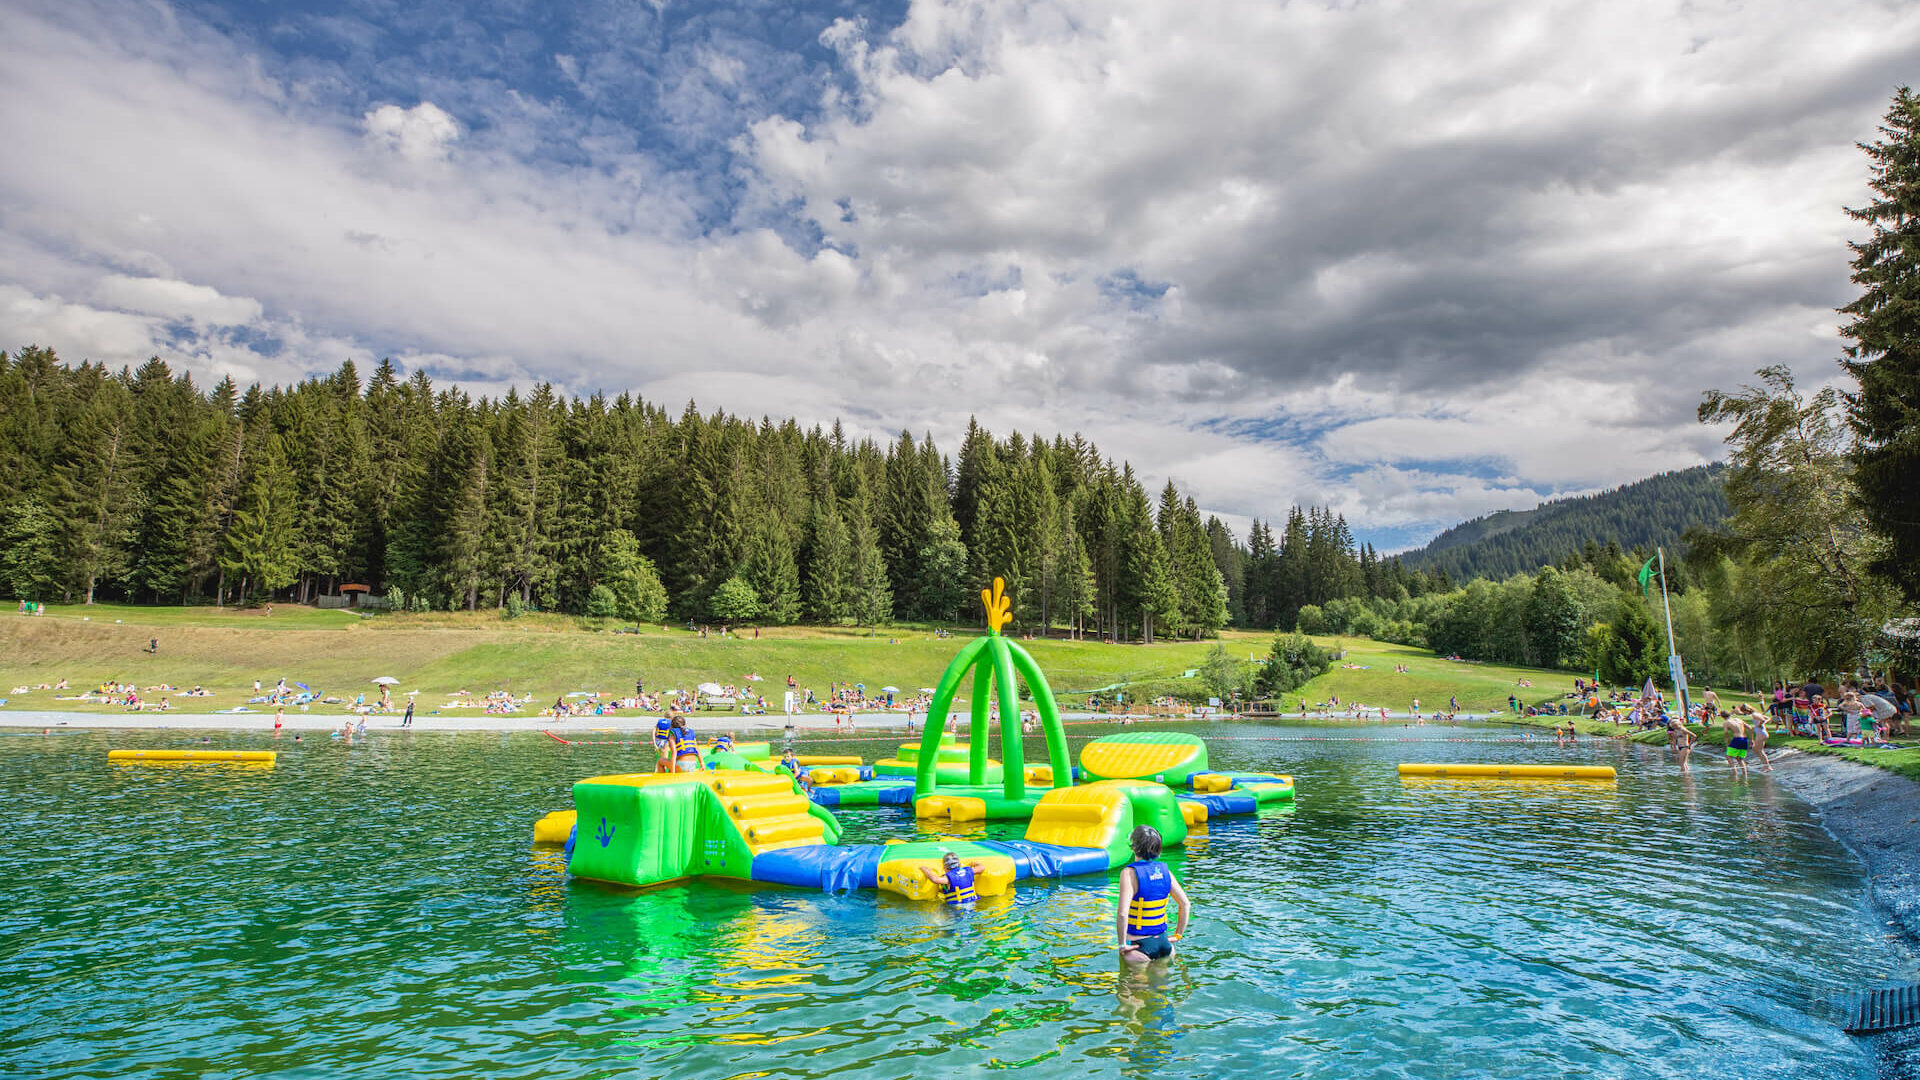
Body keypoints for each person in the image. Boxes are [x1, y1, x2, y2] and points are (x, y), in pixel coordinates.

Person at [1117, 826, 1189, 964]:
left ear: (1134, 847)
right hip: (1165, 945)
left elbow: (1122, 913)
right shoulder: (1165, 871)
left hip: (1137, 948)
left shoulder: (1129, 873)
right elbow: (1185, 904)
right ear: (1158, 849)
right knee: (1162, 985)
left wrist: (1121, 945)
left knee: (1129, 985)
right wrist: (1178, 934)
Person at [920, 852, 986, 907]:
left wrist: (926, 870)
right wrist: (975, 863)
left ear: (945, 867)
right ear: (960, 865)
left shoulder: (948, 878)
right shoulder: (968, 870)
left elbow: (935, 879)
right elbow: (982, 868)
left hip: (956, 907)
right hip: (972, 903)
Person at [1723, 710, 1750, 779]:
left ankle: (1735, 775)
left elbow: (1726, 735)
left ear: (1722, 717)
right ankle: (1745, 775)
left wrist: (1727, 745)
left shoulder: (1726, 722)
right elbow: (1750, 728)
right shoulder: (1738, 719)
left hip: (1737, 739)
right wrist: (1752, 739)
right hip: (1744, 739)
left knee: (1728, 757)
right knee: (1739, 759)